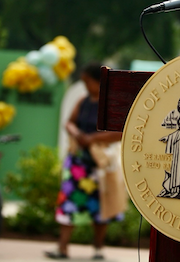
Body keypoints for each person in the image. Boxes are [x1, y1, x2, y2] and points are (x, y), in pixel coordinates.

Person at [45, 62, 122, 260]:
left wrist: (94, 138)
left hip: (99, 164)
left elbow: (120, 132)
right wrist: (77, 133)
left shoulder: (110, 104)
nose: (85, 86)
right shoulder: (83, 101)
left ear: (98, 82)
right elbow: (69, 122)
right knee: (69, 202)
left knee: (101, 206)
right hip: (78, 163)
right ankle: (62, 248)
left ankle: (98, 249)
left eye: (88, 81)